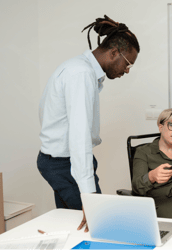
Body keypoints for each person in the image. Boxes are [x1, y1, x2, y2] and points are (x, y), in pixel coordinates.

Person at [37, 15, 140, 232]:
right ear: (114, 53)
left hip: (62, 161)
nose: (127, 70)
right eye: (128, 63)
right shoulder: (80, 73)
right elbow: (78, 137)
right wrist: (89, 195)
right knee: (98, 225)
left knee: (73, 225)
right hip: (63, 163)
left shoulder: (79, 68)